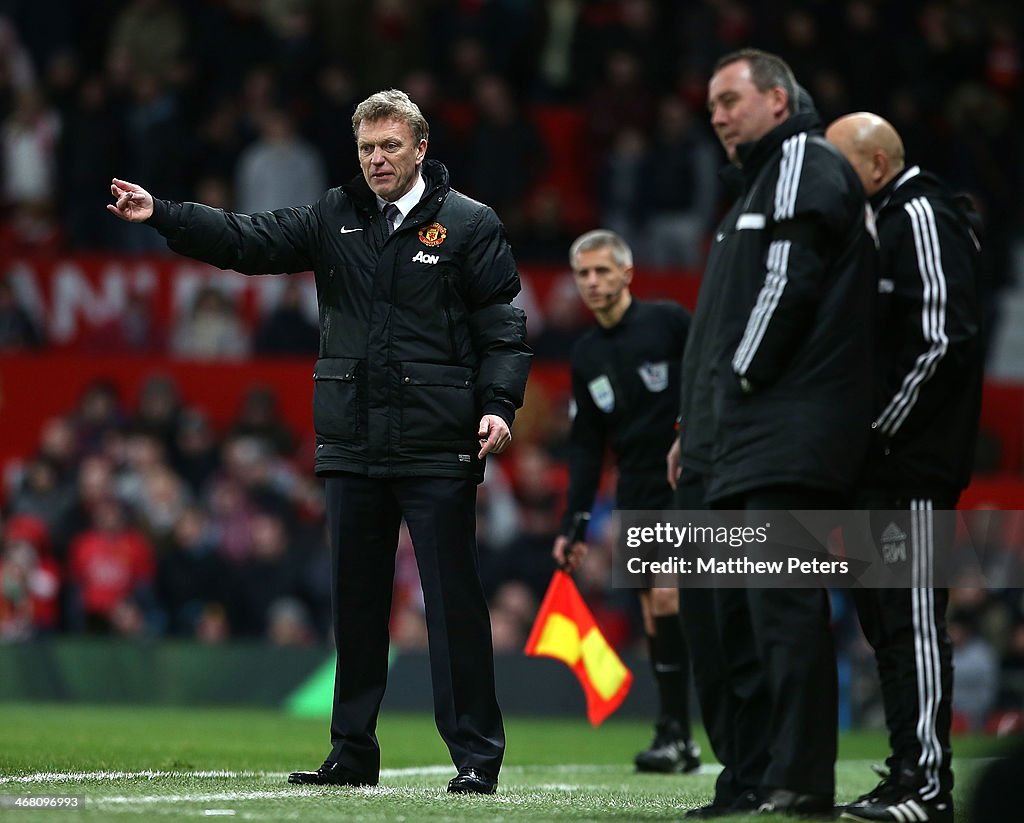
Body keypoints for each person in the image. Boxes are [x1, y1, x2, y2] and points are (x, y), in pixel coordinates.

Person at [107, 88, 532, 795]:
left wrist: (498, 405)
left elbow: (502, 327)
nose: (377, 159)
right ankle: (352, 752)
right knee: (356, 605)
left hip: (438, 443)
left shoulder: (469, 225)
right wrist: (165, 216)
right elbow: (248, 240)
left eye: (391, 146)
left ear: (421, 148)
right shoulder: (332, 215)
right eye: (367, 147)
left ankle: (476, 755)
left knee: (452, 604)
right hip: (352, 440)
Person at [669, 49, 876, 818]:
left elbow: (786, 289)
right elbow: (726, 322)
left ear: (779, 103)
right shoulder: (754, 188)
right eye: (712, 104)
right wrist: (698, 421)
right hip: (730, 440)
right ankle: (749, 774)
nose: (717, 114)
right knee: (720, 618)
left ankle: (800, 780)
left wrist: (742, 384)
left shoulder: (798, 162)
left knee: (779, 613)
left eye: (731, 99)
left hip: (781, 433)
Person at [826, 112, 983, 823]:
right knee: (887, 626)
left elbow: (942, 339)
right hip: (876, 467)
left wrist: (876, 430)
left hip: (910, 464)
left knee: (913, 622)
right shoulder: (878, 219)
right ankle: (904, 773)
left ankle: (927, 787)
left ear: (879, 162)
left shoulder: (920, 214)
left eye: (839, 164)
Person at [552, 229, 699, 775]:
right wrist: (575, 523)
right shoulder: (587, 355)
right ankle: (675, 733)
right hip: (636, 486)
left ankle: (689, 729)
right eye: (583, 274)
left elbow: (711, 378)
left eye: (602, 271)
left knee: (668, 600)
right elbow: (588, 447)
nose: (592, 282)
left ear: (627, 273)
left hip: (690, 480)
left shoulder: (669, 323)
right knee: (653, 612)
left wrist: (692, 432)